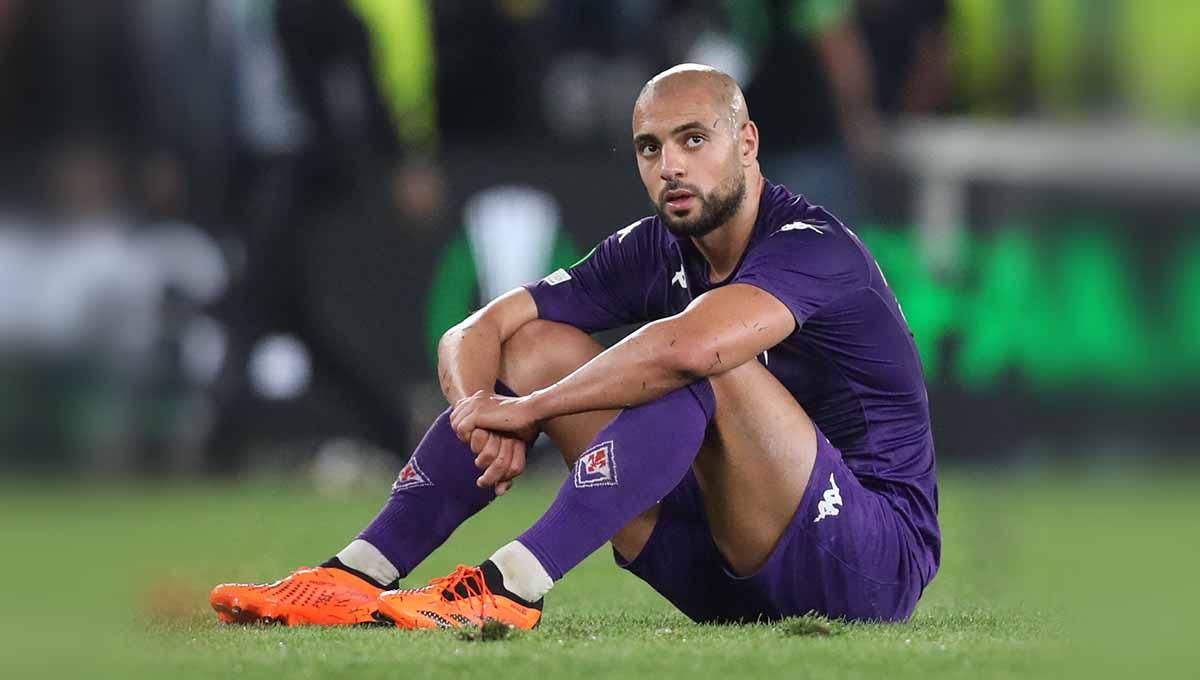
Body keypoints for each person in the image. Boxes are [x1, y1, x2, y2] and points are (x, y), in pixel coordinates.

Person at [209, 64, 939, 628]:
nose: (670, 167)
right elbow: (478, 329)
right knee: (533, 346)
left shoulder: (811, 245)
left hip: (866, 559)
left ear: (745, 144)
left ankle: (512, 587)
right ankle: (355, 574)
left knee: (700, 364)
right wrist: (480, 409)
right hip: (720, 563)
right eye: (649, 148)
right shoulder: (658, 246)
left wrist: (531, 413)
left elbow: (690, 351)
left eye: (693, 139)